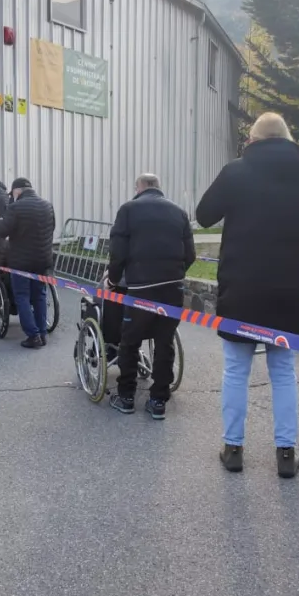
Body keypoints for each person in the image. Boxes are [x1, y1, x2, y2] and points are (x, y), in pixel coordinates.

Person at [195, 113, 299, 478]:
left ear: (251, 141)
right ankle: (286, 453)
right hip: (286, 289)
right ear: (289, 139)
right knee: (283, 372)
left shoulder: (236, 172)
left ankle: (233, 448)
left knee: (236, 370)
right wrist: (298, 278)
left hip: (241, 285)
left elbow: (204, 215)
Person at [106, 174, 196, 421]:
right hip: (172, 288)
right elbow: (190, 254)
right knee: (164, 342)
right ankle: (158, 400)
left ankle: (126, 396)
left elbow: (118, 252)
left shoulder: (128, 210)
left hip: (141, 289)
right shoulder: (178, 212)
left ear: (139, 187)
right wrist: (175, 273)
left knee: (130, 341)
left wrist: (113, 280)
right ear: (158, 188)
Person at [0, 178, 55, 348]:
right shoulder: (47, 205)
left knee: (22, 296)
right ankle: (42, 333)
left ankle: (33, 335)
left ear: (17, 191)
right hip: (43, 260)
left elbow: (2, 231)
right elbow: (52, 228)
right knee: (40, 295)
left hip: (21, 262)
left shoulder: (15, 207)